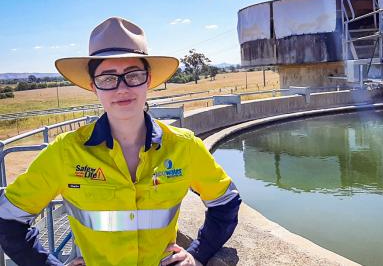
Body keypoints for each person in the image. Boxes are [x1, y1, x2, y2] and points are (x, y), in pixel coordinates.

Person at [0, 17, 241, 266]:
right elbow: (8, 219)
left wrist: (198, 255)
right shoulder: (65, 152)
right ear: (94, 87)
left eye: (133, 75)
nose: (121, 88)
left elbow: (226, 201)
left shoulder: (184, 146)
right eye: (107, 78)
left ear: (148, 80)